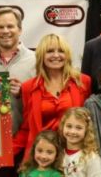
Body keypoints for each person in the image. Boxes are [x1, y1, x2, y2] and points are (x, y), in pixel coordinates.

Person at [14, 34, 92, 163]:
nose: (56, 55)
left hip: (74, 155)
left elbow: (89, 122)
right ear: (41, 56)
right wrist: (2, 155)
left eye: (61, 51)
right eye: (50, 51)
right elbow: (27, 127)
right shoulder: (28, 87)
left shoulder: (83, 82)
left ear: (67, 55)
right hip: (43, 157)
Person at [0, 7, 36, 137]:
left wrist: (24, 92)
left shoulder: (37, 60)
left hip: (27, 140)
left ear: (19, 30)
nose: (5, 31)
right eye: (0, 27)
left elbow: (45, 101)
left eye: (10, 26)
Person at [59, 108, 101, 177]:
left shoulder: (91, 157)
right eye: (69, 126)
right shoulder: (59, 154)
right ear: (63, 126)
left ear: (86, 130)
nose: (72, 132)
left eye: (78, 128)